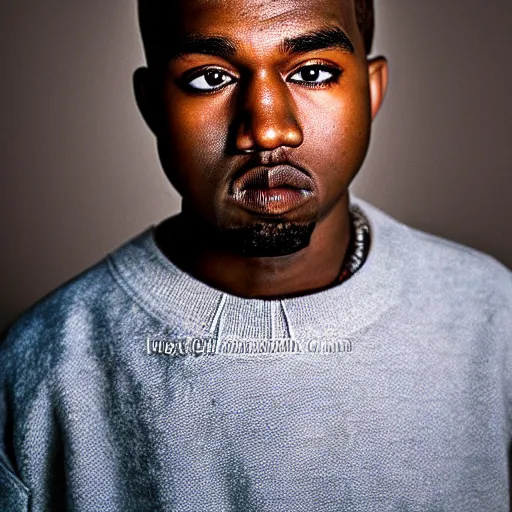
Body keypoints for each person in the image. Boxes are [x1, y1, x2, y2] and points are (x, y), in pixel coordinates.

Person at [0, 0, 510, 510]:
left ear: (371, 91)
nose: (268, 129)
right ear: (152, 106)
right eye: (209, 79)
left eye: (312, 72)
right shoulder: (37, 374)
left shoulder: (494, 323)